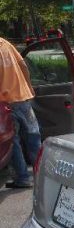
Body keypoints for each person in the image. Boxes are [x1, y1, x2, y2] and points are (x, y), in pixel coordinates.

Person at [0, 36, 41, 188]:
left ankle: (22, 178)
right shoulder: (5, 43)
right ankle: (42, 174)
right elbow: (23, 65)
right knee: (33, 137)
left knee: (13, 142)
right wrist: (29, 86)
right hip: (23, 98)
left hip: (3, 104)